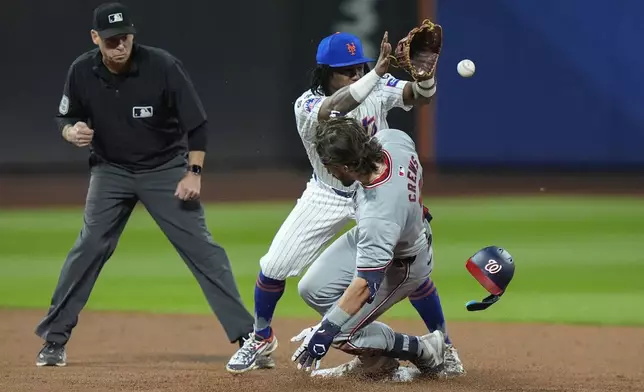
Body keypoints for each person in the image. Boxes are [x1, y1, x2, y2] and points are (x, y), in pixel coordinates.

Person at [226, 30, 464, 377]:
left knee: (407, 265)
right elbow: (339, 105)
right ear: (326, 73)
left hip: (374, 189)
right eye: (346, 70)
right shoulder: (306, 104)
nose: (355, 74)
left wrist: (426, 79)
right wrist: (377, 73)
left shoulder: (377, 85)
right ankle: (261, 338)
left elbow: (420, 96)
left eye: (359, 67)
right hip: (328, 192)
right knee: (274, 265)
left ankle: (445, 343)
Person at [35, 2, 257, 367]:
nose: (119, 45)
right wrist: (69, 130)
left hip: (165, 169)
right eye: (110, 40)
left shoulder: (162, 66)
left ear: (133, 35)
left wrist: (194, 173)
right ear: (95, 39)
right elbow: (66, 114)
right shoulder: (81, 70)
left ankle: (249, 338)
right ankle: (54, 341)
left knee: (203, 251)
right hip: (110, 171)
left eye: (124, 38)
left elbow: (197, 124)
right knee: (88, 248)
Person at [290, 116, 447, 378]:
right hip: (391, 234)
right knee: (312, 289)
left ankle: (423, 348)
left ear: (350, 164)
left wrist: (326, 330)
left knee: (339, 334)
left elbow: (365, 285)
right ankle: (374, 352)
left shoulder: (379, 213)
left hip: (403, 261)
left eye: (331, 165)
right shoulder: (392, 139)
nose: (328, 171)